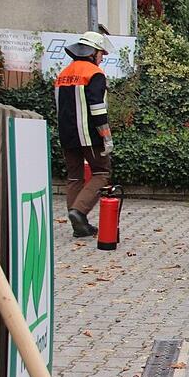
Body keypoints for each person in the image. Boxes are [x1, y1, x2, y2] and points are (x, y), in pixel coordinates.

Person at [55, 31, 115, 237]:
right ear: (92, 52)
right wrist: (106, 136)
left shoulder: (63, 74)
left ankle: (78, 225)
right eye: (101, 53)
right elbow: (97, 108)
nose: (102, 57)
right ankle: (79, 212)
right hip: (89, 135)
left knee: (74, 177)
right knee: (101, 173)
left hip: (66, 136)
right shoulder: (94, 73)